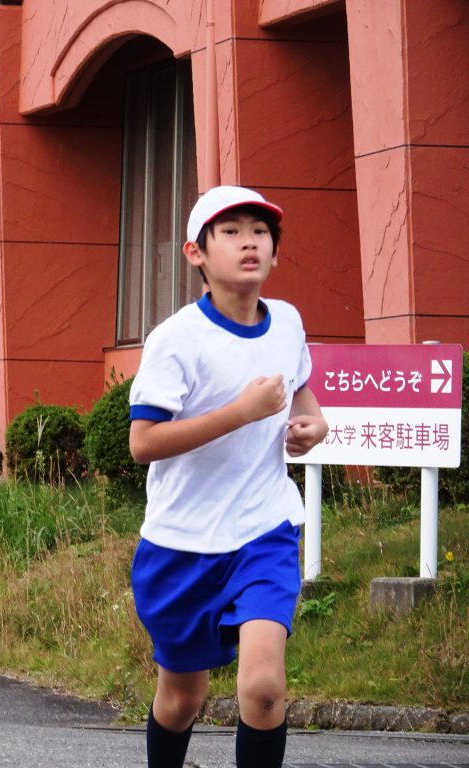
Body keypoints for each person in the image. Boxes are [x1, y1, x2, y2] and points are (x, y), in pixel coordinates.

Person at [127, 185, 328, 768]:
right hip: (180, 545)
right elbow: (143, 443)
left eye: (260, 233)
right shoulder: (176, 340)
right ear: (196, 253)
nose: (250, 243)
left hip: (264, 530)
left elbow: (302, 399)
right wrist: (240, 412)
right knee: (182, 697)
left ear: (275, 252)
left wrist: (313, 426)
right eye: (232, 231)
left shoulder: (287, 322)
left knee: (263, 688)